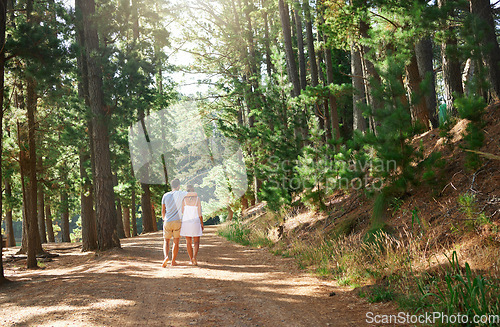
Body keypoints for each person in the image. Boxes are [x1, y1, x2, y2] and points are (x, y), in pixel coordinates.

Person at [161, 178, 196, 267]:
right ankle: (173, 261)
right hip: (177, 221)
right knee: (176, 242)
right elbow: (194, 194)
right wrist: (189, 190)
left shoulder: (165, 195)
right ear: (178, 186)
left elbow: (163, 210)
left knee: (166, 241)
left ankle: (166, 257)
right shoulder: (181, 193)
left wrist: (164, 219)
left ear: (171, 186)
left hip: (167, 220)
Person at [180, 185, 204, 266]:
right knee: (196, 241)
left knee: (188, 242)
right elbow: (200, 213)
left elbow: (182, 211)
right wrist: (202, 223)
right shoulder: (197, 199)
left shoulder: (184, 199)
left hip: (186, 221)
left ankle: (190, 259)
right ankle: (194, 257)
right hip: (195, 221)